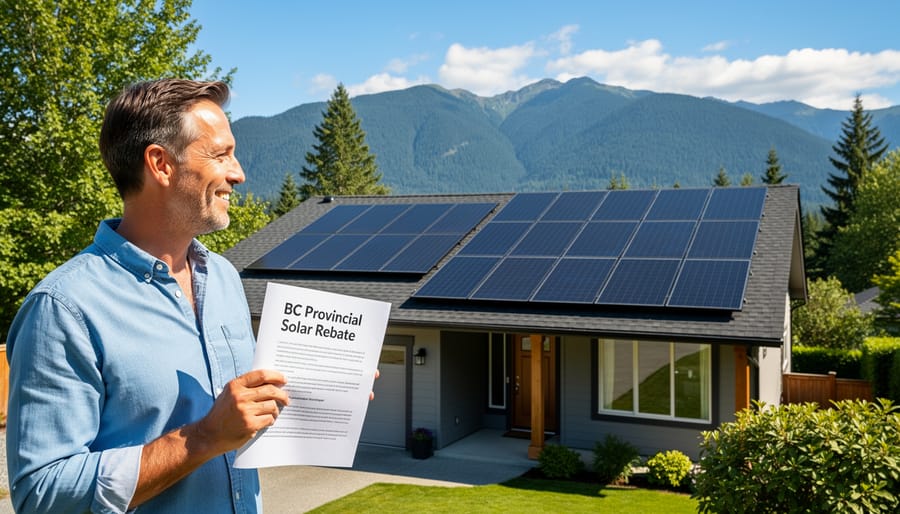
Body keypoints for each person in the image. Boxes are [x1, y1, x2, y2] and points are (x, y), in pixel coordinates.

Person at [5, 79, 290, 513]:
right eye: (220, 154)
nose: (238, 173)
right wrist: (203, 438)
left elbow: (240, 420)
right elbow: (41, 493)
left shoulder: (226, 279)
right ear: (160, 164)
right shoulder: (64, 309)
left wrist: (318, 397)